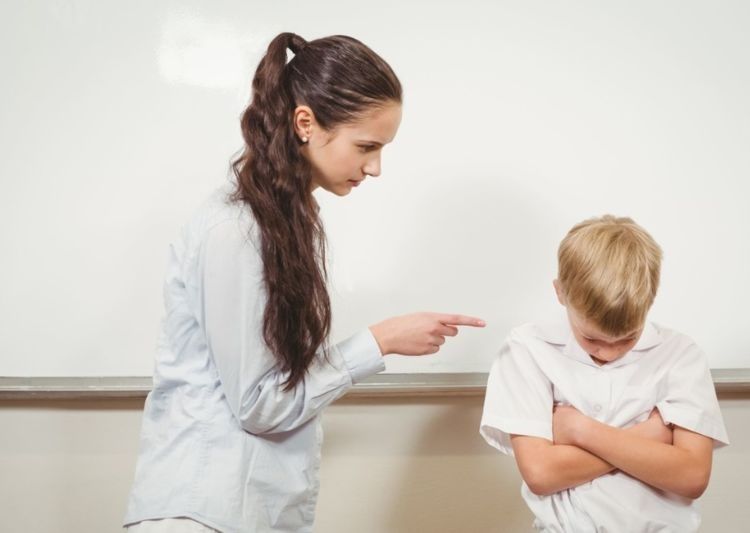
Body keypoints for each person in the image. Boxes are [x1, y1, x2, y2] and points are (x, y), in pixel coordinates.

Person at [124, 32, 485, 533]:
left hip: (242, 511)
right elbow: (259, 405)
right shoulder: (236, 229)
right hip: (204, 512)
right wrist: (378, 343)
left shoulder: (283, 221)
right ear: (305, 123)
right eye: (367, 146)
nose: (376, 167)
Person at [480, 215, 729, 532]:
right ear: (560, 293)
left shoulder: (680, 354)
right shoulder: (527, 350)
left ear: (651, 300)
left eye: (627, 339)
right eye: (592, 339)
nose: (609, 352)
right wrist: (650, 436)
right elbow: (542, 474)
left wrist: (580, 430)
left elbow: (691, 476)